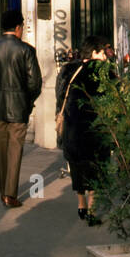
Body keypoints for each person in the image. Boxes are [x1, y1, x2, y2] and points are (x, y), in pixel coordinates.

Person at [0, 7, 42, 208]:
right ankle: (10, 194)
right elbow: (35, 83)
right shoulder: (26, 50)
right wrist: (27, 101)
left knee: (2, 150)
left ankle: (2, 190)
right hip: (19, 108)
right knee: (15, 150)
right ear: (17, 27)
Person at [56, 35, 112, 226]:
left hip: (73, 129)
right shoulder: (102, 71)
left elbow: (60, 95)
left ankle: (81, 205)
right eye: (103, 52)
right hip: (96, 128)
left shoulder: (69, 69)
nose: (105, 56)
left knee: (77, 166)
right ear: (95, 52)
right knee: (95, 166)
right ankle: (93, 208)